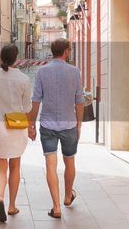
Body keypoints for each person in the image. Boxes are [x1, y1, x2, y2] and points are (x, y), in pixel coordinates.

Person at [28, 39, 86, 219]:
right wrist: (79, 124)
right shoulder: (75, 71)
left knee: (50, 165)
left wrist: (31, 124)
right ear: (66, 52)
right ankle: (68, 196)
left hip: (47, 124)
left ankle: (56, 207)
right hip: (69, 124)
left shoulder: (42, 72)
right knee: (70, 161)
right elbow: (80, 101)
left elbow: (36, 100)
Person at [0, 44, 31, 223]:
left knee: (0, 167)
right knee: (15, 166)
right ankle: (12, 206)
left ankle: (0, 199)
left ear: (0, 57)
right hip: (16, 126)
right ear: (16, 58)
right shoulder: (24, 79)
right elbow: (27, 107)